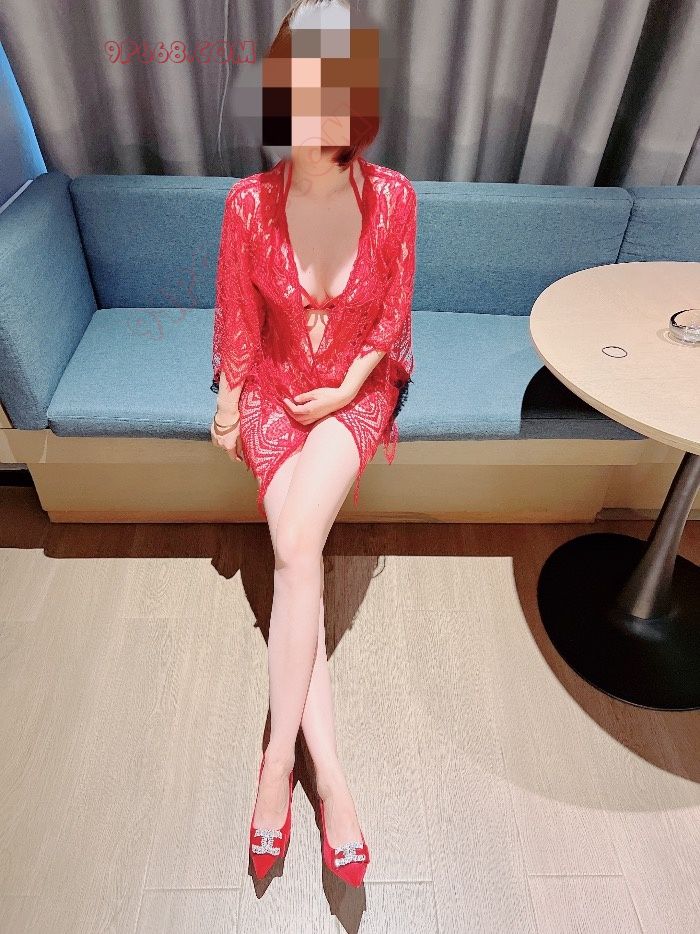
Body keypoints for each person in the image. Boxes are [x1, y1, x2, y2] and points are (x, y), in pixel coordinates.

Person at [209, 0, 417, 887]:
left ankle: (274, 767)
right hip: (274, 389)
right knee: (301, 567)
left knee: (294, 543)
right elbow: (238, 319)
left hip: (354, 395)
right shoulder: (247, 205)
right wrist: (230, 406)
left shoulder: (395, 198)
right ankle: (328, 777)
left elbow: (394, 316)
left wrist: (349, 385)